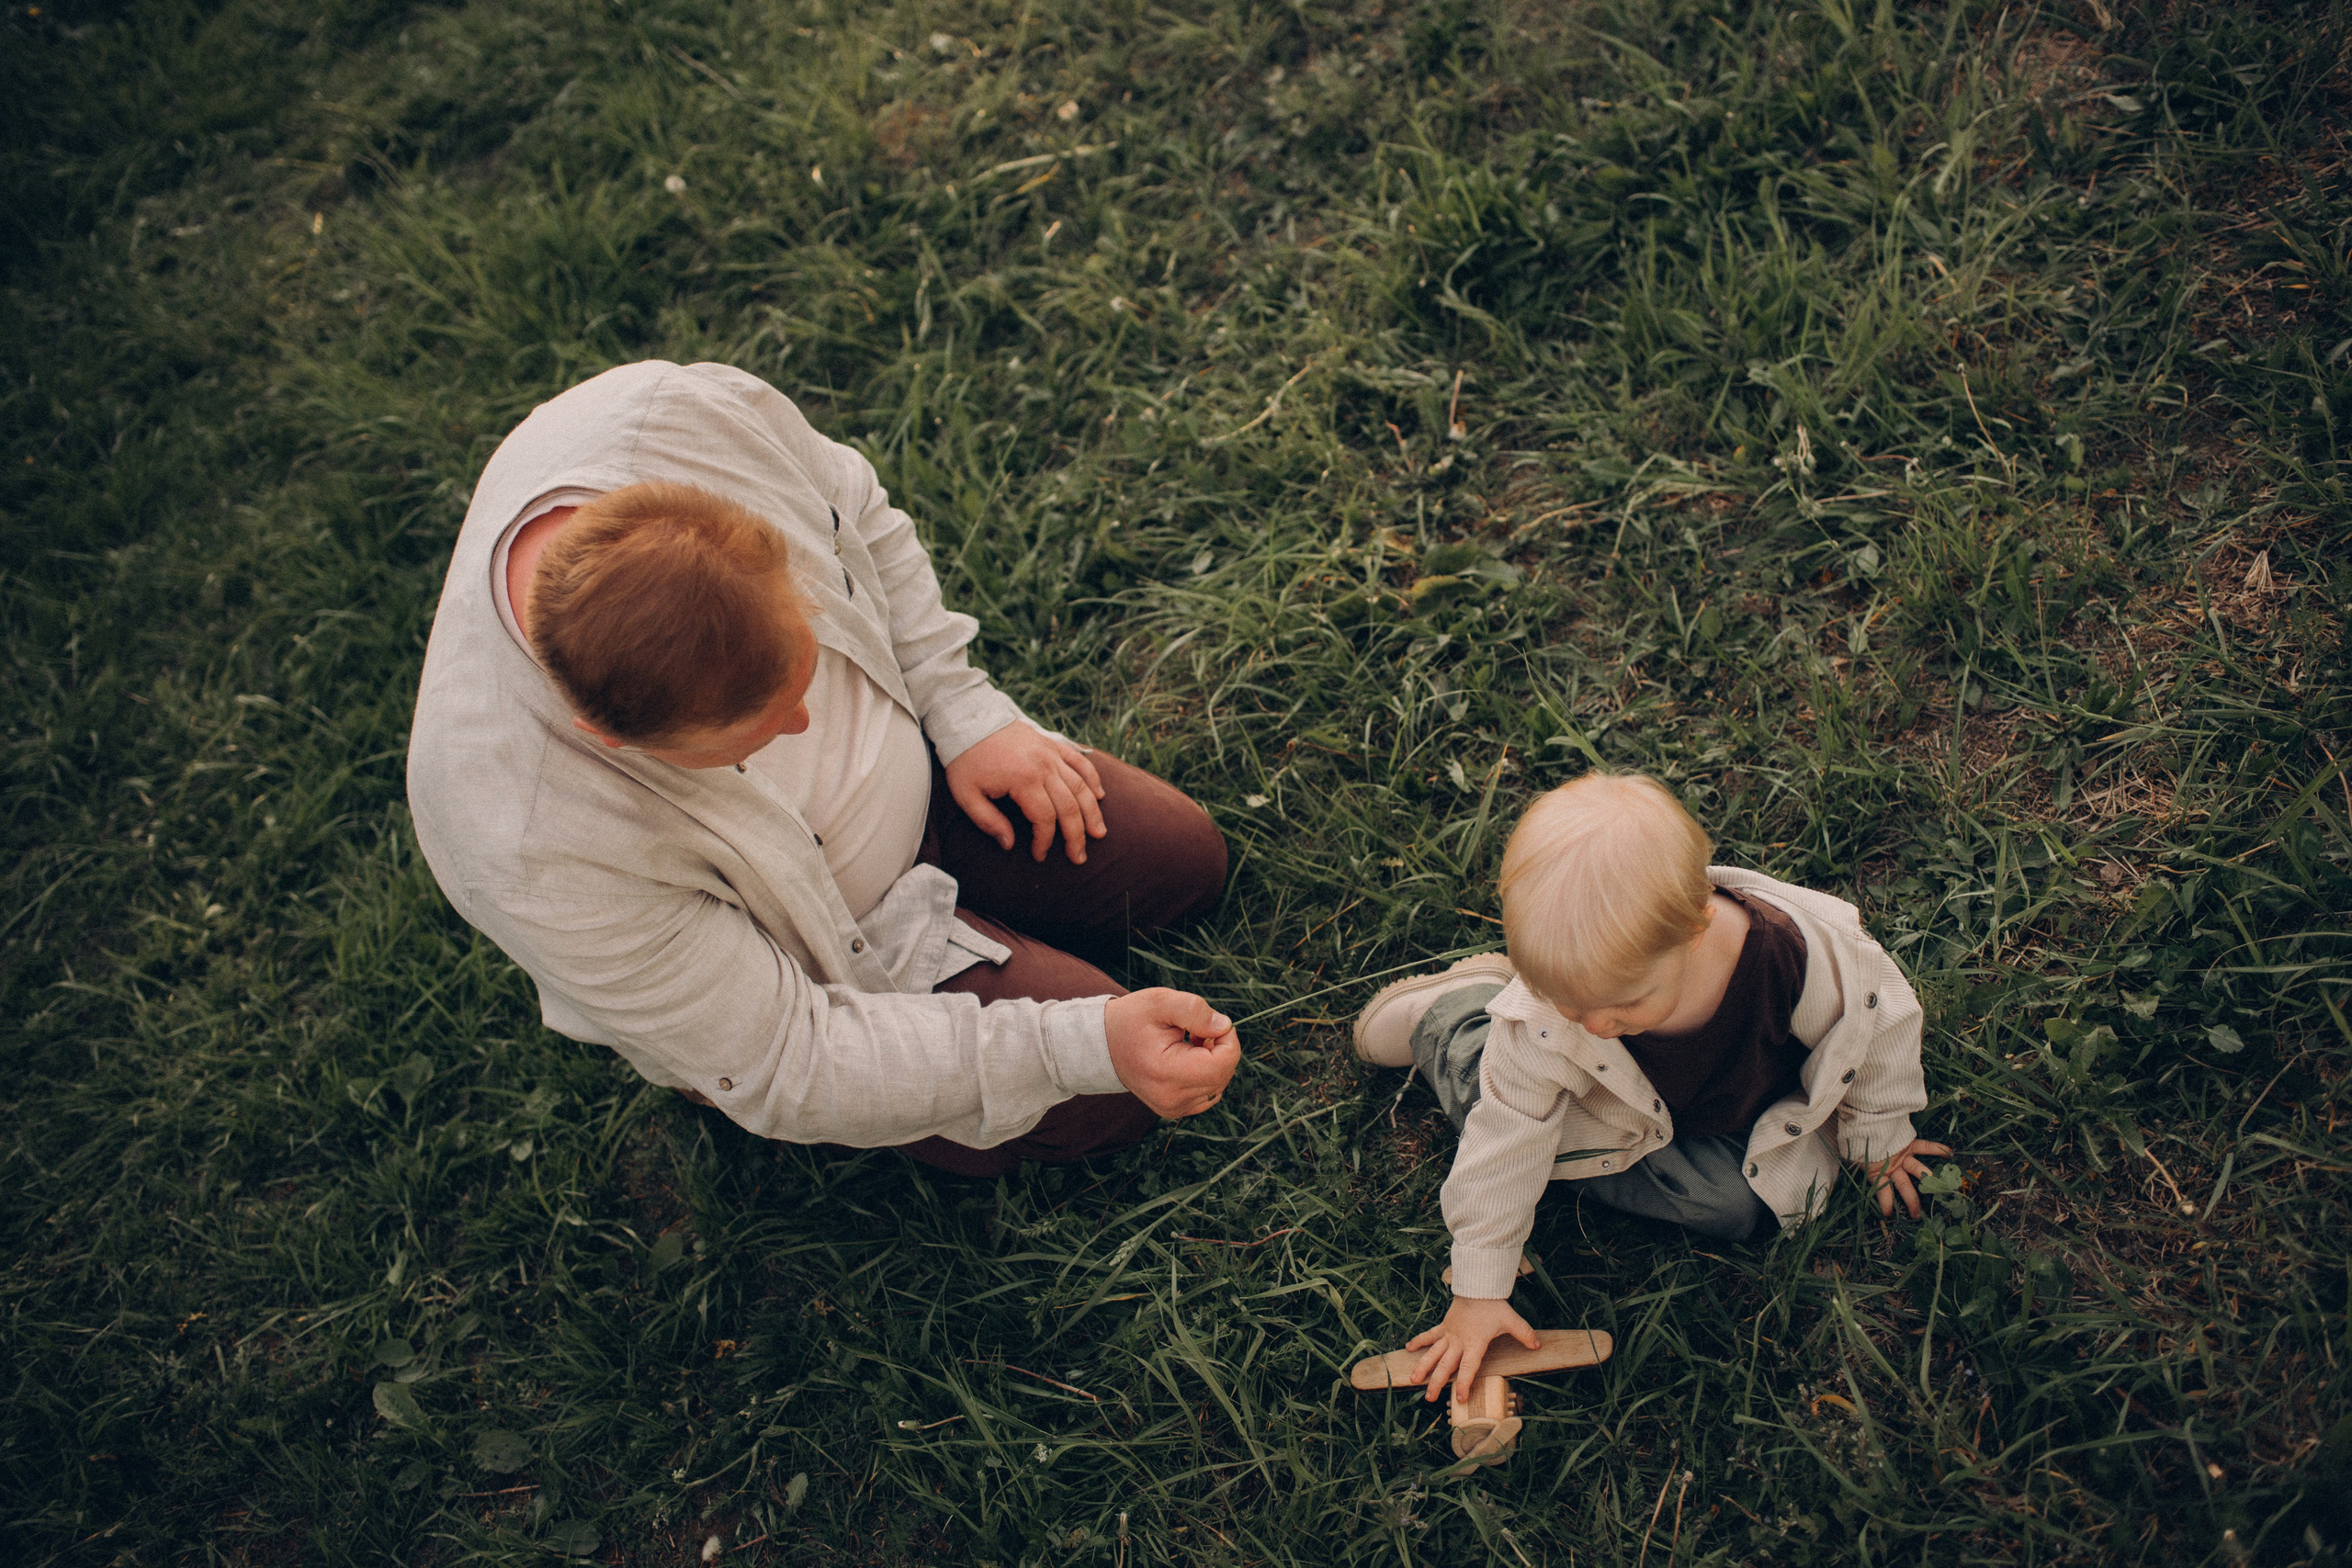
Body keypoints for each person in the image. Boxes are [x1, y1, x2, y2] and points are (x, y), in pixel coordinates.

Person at [406, 360, 1239, 1177]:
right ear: (611, 737)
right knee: (1109, 1100)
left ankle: (994, 933)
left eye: (807, 679)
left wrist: (962, 713)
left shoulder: (679, 417)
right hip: (819, 963)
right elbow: (791, 1056)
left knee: (1186, 862)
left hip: (945, 799)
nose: (806, 724)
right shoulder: (522, 839)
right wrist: (1079, 1044)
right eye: (760, 736)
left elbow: (857, 511)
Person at [1349, 773, 1946, 1400]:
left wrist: (1880, 1137)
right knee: (1509, 1116)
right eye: (1569, 1000)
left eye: (1621, 1004)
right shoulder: (1552, 1019)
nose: (1598, 1025)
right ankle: (1452, 1019)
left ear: (1694, 928)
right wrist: (1479, 1290)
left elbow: (1878, 1027)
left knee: (1737, 1206)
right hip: (1587, 1100)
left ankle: (1472, 1016)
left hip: (1708, 1112)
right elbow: (1504, 1139)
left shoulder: (1806, 959)